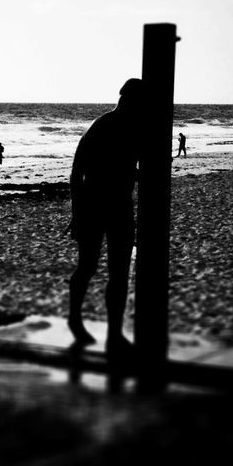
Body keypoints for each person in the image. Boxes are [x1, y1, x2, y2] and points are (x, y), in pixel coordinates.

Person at [66, 78, 142, 363]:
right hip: (94, 206)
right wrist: (77, 212)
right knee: (87, 265)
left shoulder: (137, 129)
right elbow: (77, 171)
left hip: (121, 206)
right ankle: (75, 318)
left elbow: (129, 169)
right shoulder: (100, 127)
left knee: (119, 272)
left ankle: (114, 333)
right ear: (127, 100)